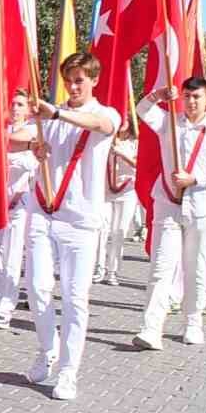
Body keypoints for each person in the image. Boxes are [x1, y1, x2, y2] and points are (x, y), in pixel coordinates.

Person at [18, 53, 120, 402]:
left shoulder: (105, 113)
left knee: (75, 299)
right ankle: (48, 350)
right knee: (36, 288)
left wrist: (57, 113)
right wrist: (35, 145)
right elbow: (16, 137)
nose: (73, 86)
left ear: (93, 80)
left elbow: (100, 127)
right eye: (69, 80)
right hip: (44, 213)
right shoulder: (52, 115)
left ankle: (68, 371)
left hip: (80, 222)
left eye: (80, 80)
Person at [134, 77, 206, 351]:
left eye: (197, 97)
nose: (191, 102)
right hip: (168, 204)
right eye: (187, 96)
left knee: (197, 268)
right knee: (161, 267)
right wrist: (157, 95)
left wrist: (196, 178)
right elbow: (142, 110)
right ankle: (151, 328)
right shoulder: (170, 124)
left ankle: (192, 321)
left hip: (202, 209)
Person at [0, 90, 36, 330]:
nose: (15, 108)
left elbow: (33, 165)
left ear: (28, 109)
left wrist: (7, 159)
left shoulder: (33, 133)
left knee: (11, 258)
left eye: (20, 104)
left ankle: (5, 309)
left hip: (19, 202)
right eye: (12, 104)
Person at [95, 119, 139, 287]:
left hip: (127, 191)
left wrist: (122, 154)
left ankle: (113, 270)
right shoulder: (105, 139)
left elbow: (138, 164)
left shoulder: (135, 142)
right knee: (102, 228)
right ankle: (99, 268)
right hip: (106, 191)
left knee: (119, 231)